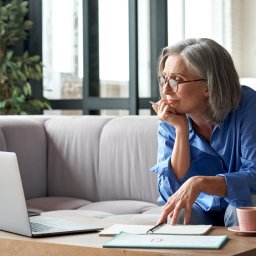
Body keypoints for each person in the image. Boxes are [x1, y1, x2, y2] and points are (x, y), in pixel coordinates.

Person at [150, 38, 256, 227]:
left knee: (238, 211)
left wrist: (200, 183)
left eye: (177, 80)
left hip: (245, 202)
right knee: (177, 215)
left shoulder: (248, 106)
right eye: (164, 78)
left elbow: (254, 175)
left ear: (208, 86)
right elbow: (169, 192)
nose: (166, 90)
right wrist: (181, 130)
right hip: (202, 208)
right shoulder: (171, 117)